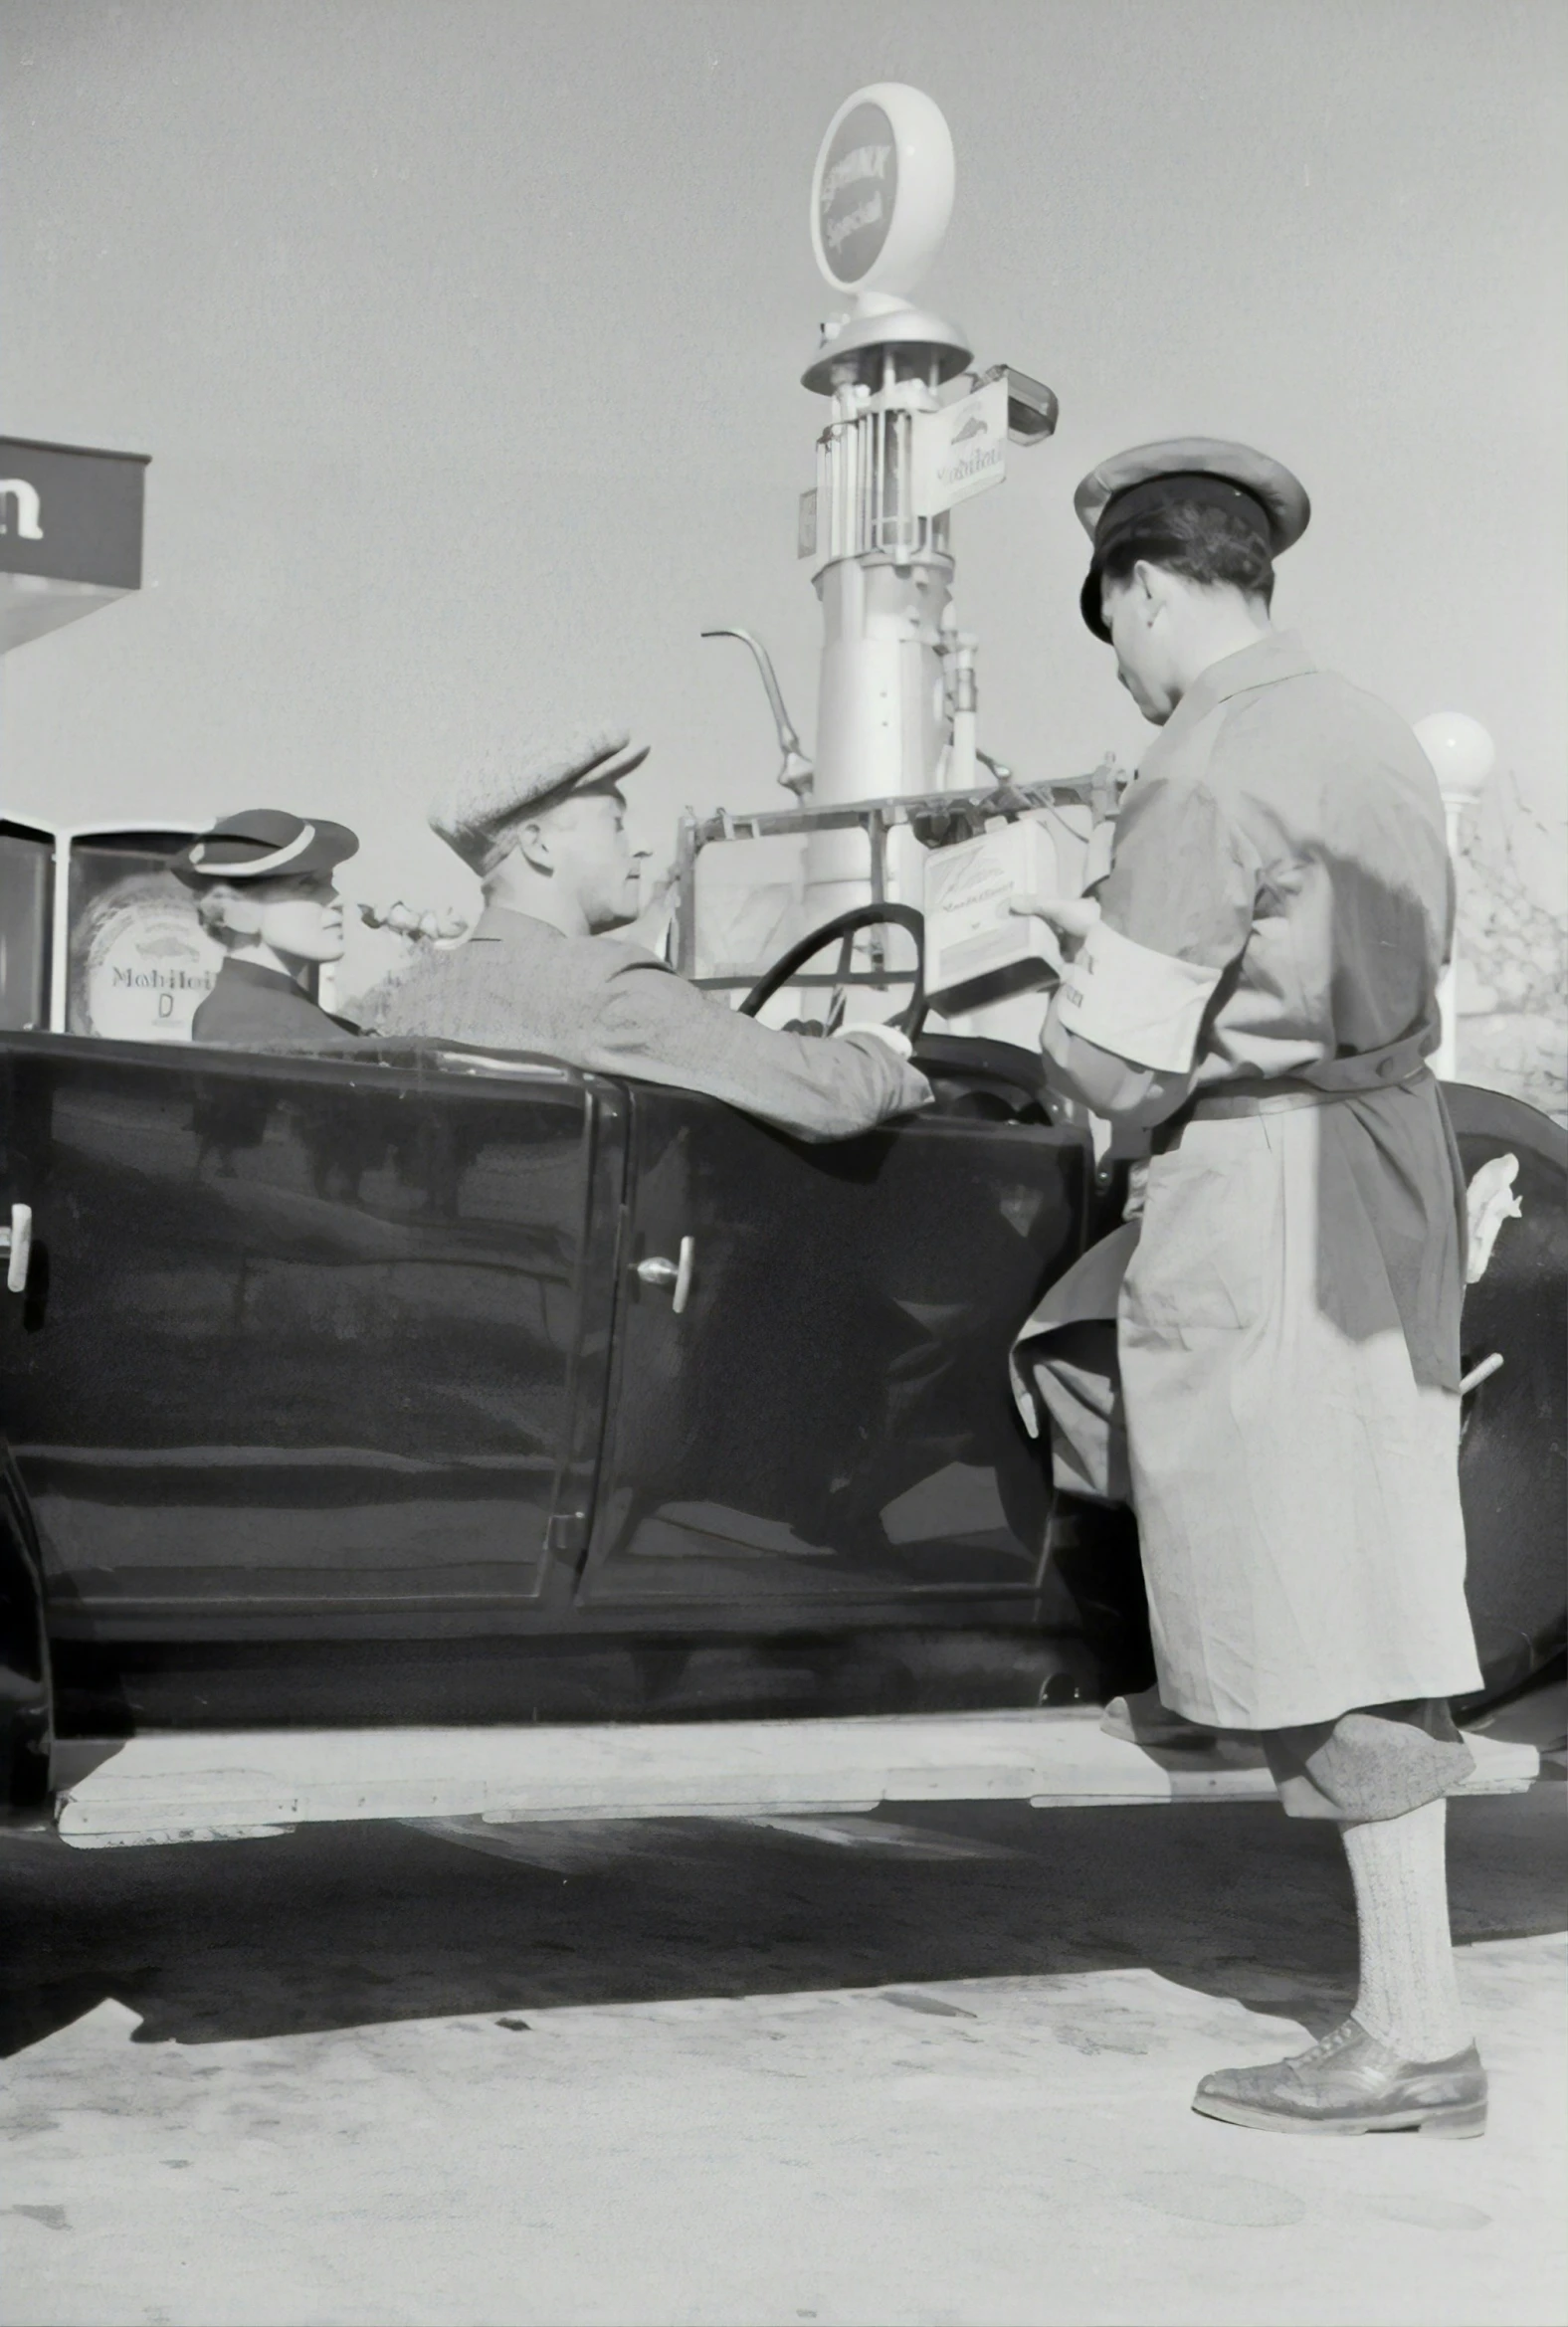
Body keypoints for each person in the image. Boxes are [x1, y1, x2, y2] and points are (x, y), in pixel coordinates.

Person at [1015, 439, 1487, 2138]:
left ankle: (1412, 2027)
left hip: (1264, 1186)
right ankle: (1411, 2006)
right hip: (1384, 1157)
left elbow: (1116, 1068)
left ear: (1139, 588)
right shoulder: (1358, 723)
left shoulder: (1202, 758)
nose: (1127, 672)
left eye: (1112, 630)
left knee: (1314, 1586)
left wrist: (1052, 984)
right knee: (1368, 1556)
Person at [375, 728, 931, 1140]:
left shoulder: (414, 998)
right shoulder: (601, 983)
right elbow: (833, 1097)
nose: (640, 844)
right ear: (538, 845)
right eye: (615, 823)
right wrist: (881, 1049)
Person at [174, 809, 362, 1043]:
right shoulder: (252, 1022)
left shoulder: (270, 1010)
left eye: (329, 882)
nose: (337, 900)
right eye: (308, 884)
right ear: (238, 910)